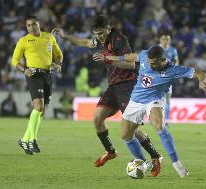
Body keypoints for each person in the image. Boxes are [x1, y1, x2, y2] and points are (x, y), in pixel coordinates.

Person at [52, 15, 162, 176]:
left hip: (127, 85)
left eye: (102, 33)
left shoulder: (119, 40)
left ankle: (155, 156)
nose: (99, 37)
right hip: (113, 86)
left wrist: (108, 60)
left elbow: (131, 65)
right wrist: (65, 36)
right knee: (97, 118)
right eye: (96, 34)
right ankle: (110, 151)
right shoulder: (100, 39)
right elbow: (85, 42)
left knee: (131, 129)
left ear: (109, 29)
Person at [105, 45, 206, 177]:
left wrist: (202, 80)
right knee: (126, 136)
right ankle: (142, 161)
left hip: (154, 100)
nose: (151, 65)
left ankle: (177, 164)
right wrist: (111, 57)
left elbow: (201, 74)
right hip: (136, 100)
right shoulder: (144, 55)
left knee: (159, 126)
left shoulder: (173, 69)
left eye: (153, 63)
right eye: (149, 62)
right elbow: (131, 57)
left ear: (162, 59)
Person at [12, 15, 63, 155]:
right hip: (33, 75)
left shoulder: (49, 37)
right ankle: (32, 140)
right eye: (28, 25)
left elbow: (59, 54)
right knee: (38, 106)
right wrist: (24, 70)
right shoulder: (23, 41)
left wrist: (58, 64)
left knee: (42, 111)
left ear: (38, 24)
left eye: (33, 24)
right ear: (26, 27)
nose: (31, 27)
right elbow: (15, 61)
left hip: (47, 75)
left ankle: (24, 140)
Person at [158, 33, 179, 127]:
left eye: (167, 40)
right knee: (157, 99)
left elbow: (177, 62)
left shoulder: (173, 50)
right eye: (164, 40)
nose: (166, 41)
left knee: (167, 99)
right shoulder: (156, 49)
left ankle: (166, 121)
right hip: (157, 78)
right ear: (160, 40)